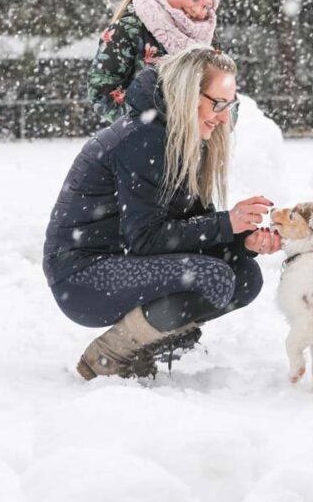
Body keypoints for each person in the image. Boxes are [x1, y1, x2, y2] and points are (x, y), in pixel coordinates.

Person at [45, 48, 280, 380]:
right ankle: (109, 355)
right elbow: (146, 239)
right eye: (219, 104)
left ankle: (152, 340)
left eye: (231, 105)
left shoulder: (177, 135)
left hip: (126, 262)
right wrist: (225, 223)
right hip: (83, 277)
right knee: (213, 277)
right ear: (188, 94)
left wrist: (243, 240)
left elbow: (188, 229)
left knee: (244, 276)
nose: (225, 118)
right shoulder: (144, 139)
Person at [88, 0, 227, 124]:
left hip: (193, 147)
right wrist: (149, 122)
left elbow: (226, 97)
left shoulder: (208, 42)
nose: (198, 10)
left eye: (207, 7)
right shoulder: (129, 29)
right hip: (141, 145)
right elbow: (101, 91)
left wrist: (208, 120)